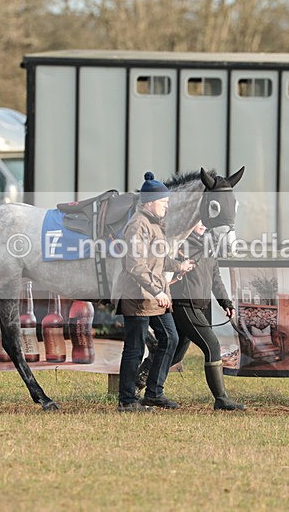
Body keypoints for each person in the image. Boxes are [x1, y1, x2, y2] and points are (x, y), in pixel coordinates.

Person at [112, 172, 195, 412]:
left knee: (170, 338)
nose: (167, 207)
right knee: (135, 348)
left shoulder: (155, 224)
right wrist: (158, 291)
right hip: (138, 296)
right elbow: (135, 265)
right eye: (163, 202)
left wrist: (178, 266)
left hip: (154, 294)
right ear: (149, 203)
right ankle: (127, 400)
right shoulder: (137, 225)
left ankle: (154, 393)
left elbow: (157, 258)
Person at [169, 220, 245, 410]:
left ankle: (143, 386)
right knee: (212, 346)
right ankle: (221, 399)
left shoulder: (209, 245)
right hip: (184, 305)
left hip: (199, 306)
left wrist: (225, 302)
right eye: (198, 220)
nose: (203, 224)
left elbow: (215, 277)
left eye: (205, 220)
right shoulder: (178, 243)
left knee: (173, 353)